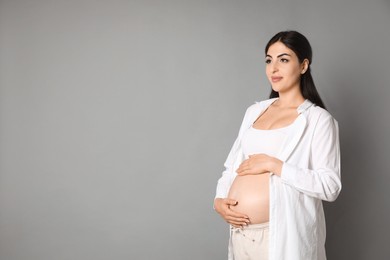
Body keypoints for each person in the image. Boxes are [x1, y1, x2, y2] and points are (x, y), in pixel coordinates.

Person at [213, 30, 341, 260]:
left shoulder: (319, 120)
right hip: (241, 234)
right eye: (268, 60)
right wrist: (219, 200)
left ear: (303, 66)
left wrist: (274, 164)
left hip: (282, 237)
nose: (273, 68)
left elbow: (330, 186)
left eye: (283, 59)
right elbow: (231, 167)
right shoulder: (254, 111)